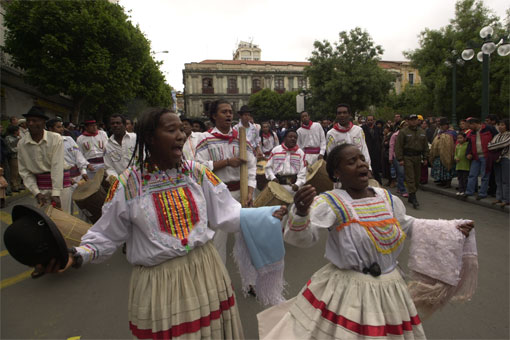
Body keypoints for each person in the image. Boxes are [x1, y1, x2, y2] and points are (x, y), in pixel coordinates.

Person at [43, 108, 287, 339]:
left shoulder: (196, 173)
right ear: (150, 137)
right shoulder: (128, 184)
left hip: (207, 272)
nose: (181, 135)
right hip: (161, 284)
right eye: (172, 130)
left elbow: (229, 214)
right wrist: (77, 256)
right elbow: (106, 235)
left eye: (181, 129)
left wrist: (270, 215)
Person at [258, 144, 474, 340]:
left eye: (362, 159)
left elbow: (407, 224)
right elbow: (303, 238)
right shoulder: (330, 202)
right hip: (347, 290)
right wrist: (302, 212)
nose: (361, 164)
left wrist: (450, 228)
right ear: (337, 173)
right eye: (351, 162)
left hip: (391, 289)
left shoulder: (385, 197)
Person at [195, 99, 257, 263]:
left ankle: (249, 283)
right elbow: (198, 167)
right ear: (214, 116)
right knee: (217, 242)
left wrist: (250, 191)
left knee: (245, 240)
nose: (229, 114)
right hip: (218, 196)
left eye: (230, 111)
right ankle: (221, 284)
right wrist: (227, 162)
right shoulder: (205, 139)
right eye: (224, 112)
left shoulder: (241, 138)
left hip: (241, 193)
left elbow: (251, 167)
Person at [17, 106, 72, 212]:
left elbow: (57, 166)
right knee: (43, 222)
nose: (31, 124)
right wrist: (36, 192)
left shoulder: (56, 138)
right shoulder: (22, 144)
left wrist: (56, 193)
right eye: (28, 121)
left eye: (35, 121)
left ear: (43, 123)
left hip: (61, 187)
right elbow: (24, 171)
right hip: (40, 187)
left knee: (64, 222)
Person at [395, 114, 429, 209]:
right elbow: (398, 146)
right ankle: (413, 197)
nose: (414, 121)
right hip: (407, 156)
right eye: (412, 120)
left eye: (415, 120)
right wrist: (400, 159)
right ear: (408, 121)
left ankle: (411, 194)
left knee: (417, 179)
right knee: (410, 177)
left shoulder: (422, 132)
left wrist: (426, 157)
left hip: (418, 157)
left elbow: (425, 146)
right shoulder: (403, 132)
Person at [462, 117, 498, 200]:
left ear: (474, 124)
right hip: (476, 156)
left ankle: (482, 193)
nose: (469, 127)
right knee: (472, 174)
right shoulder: (472, 133)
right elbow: (470, 144)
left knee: (484, 175)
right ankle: (469, 191)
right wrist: (468, 153)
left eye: (470, 125)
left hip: (486, 156)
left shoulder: (489, 129)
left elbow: (496, 138)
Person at [46, 119, 91, 185]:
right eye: (58, 127)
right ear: (50, 129)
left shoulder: (69, 139)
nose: (62, 129)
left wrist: (83, 171)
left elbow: (78, 155)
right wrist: (65, 177)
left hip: (78, 177)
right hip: (61, 180)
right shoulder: (47, 144)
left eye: (62, 127)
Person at [326, 104, 371, 169]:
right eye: (339, 113)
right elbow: (331, 156)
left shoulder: (358, 130)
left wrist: (368, 168)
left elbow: (364, 150)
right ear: (336, 116)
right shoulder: (331, 134)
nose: (342, 115)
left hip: (360, 169)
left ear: (349, 114)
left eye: (344, 112)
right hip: (343, 172)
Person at [265, 129, 307, 195]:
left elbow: (303, 171)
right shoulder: (276, 150)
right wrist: (273, 178)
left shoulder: (300, 153)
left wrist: (298, 184)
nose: (293, 139)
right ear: (284, 138)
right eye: (290, 137)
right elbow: (268, 167)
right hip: (278, 186)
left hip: (294, 187)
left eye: (295, 137)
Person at [104, 114, 136, 181]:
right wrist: (115, 180)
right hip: (120, 182)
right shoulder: (107, 145)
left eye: (118, 123)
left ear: (124, 125)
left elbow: (143, 157)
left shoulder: (135, 138)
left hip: (138, 178)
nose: (115, 125)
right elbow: (109, 167)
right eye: (112, 123)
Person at [488, 118, 510, 207]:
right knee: (498, 179)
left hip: (506, 158)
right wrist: (493, 146)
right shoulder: (497, 136)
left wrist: (493, 146)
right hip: (496, 159)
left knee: (506, 180)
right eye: (499, 125)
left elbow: (504, 144)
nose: (500, 127)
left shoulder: (508, 135)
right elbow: (489, 145)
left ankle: (506, 199)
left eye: (502, 125)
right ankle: (499, 197)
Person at [429, 118, 457, 188]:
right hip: (439, 154)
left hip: (447, 153)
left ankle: (448, 182)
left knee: (447, 168)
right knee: (440, 168)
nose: (442, 127)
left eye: (443, 125)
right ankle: (442, 181)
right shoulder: (440, 133)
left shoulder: (451, 133)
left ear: (447, 125)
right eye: (441, 125)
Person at [361, 114, 383, 184]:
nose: (370, 121)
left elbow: (380, 139)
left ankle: (379, 183)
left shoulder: (377, 128)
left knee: (376, 169)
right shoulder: (362, 128)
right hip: (367, 150)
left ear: (374, 120)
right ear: (366, 121)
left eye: (371, 120)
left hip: (376, 152)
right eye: (368, 120)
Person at [389, 121, 409, 197]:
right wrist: (390, 158)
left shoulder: (409, 135)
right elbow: (391, 147)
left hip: (407, 156)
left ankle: (399, 187)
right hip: (397, 157)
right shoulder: (395, 135)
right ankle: (402, 189)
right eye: (404, 125)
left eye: (407, 125)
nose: (406, 126)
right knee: (401, 173)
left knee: (404, 173)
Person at [5, 125, 21, 192]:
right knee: (14, 172)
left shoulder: (18, 137)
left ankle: (18, 185)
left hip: (19, 156)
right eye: (18, 130)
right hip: (13, 157)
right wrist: (18, 149)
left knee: (18, 172)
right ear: (15, 131)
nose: (19, 132)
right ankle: (14, 186)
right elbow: (10, 149)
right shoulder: (8, 138)